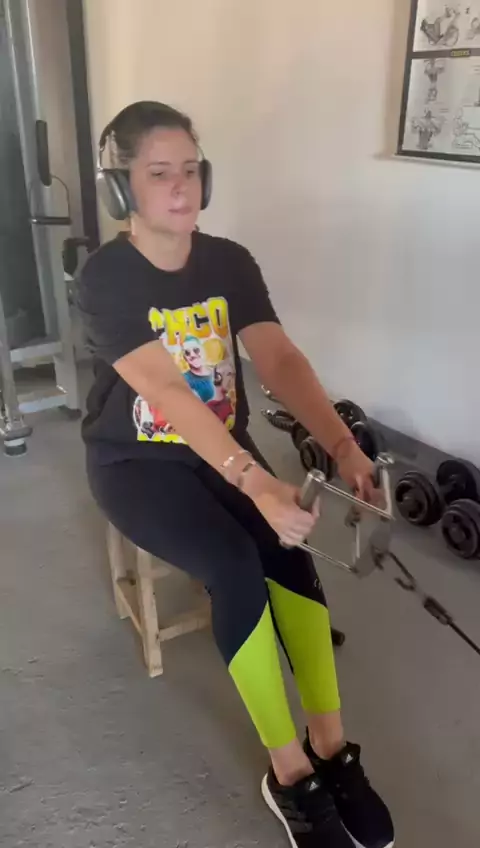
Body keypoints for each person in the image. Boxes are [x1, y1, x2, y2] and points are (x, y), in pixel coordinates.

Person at [78, 101, 394, 848]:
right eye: (159, 172)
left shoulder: (228, 261)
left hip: (224, 449)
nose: (180, 187)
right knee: (233, 563)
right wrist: (255, 480)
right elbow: (165, 389)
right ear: (121, 188)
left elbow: (277, 358)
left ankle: (331, 748)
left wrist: (342, 445)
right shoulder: (106, 279)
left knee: (290, 552)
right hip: (135, 461)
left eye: (191, 170)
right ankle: (290, 776)